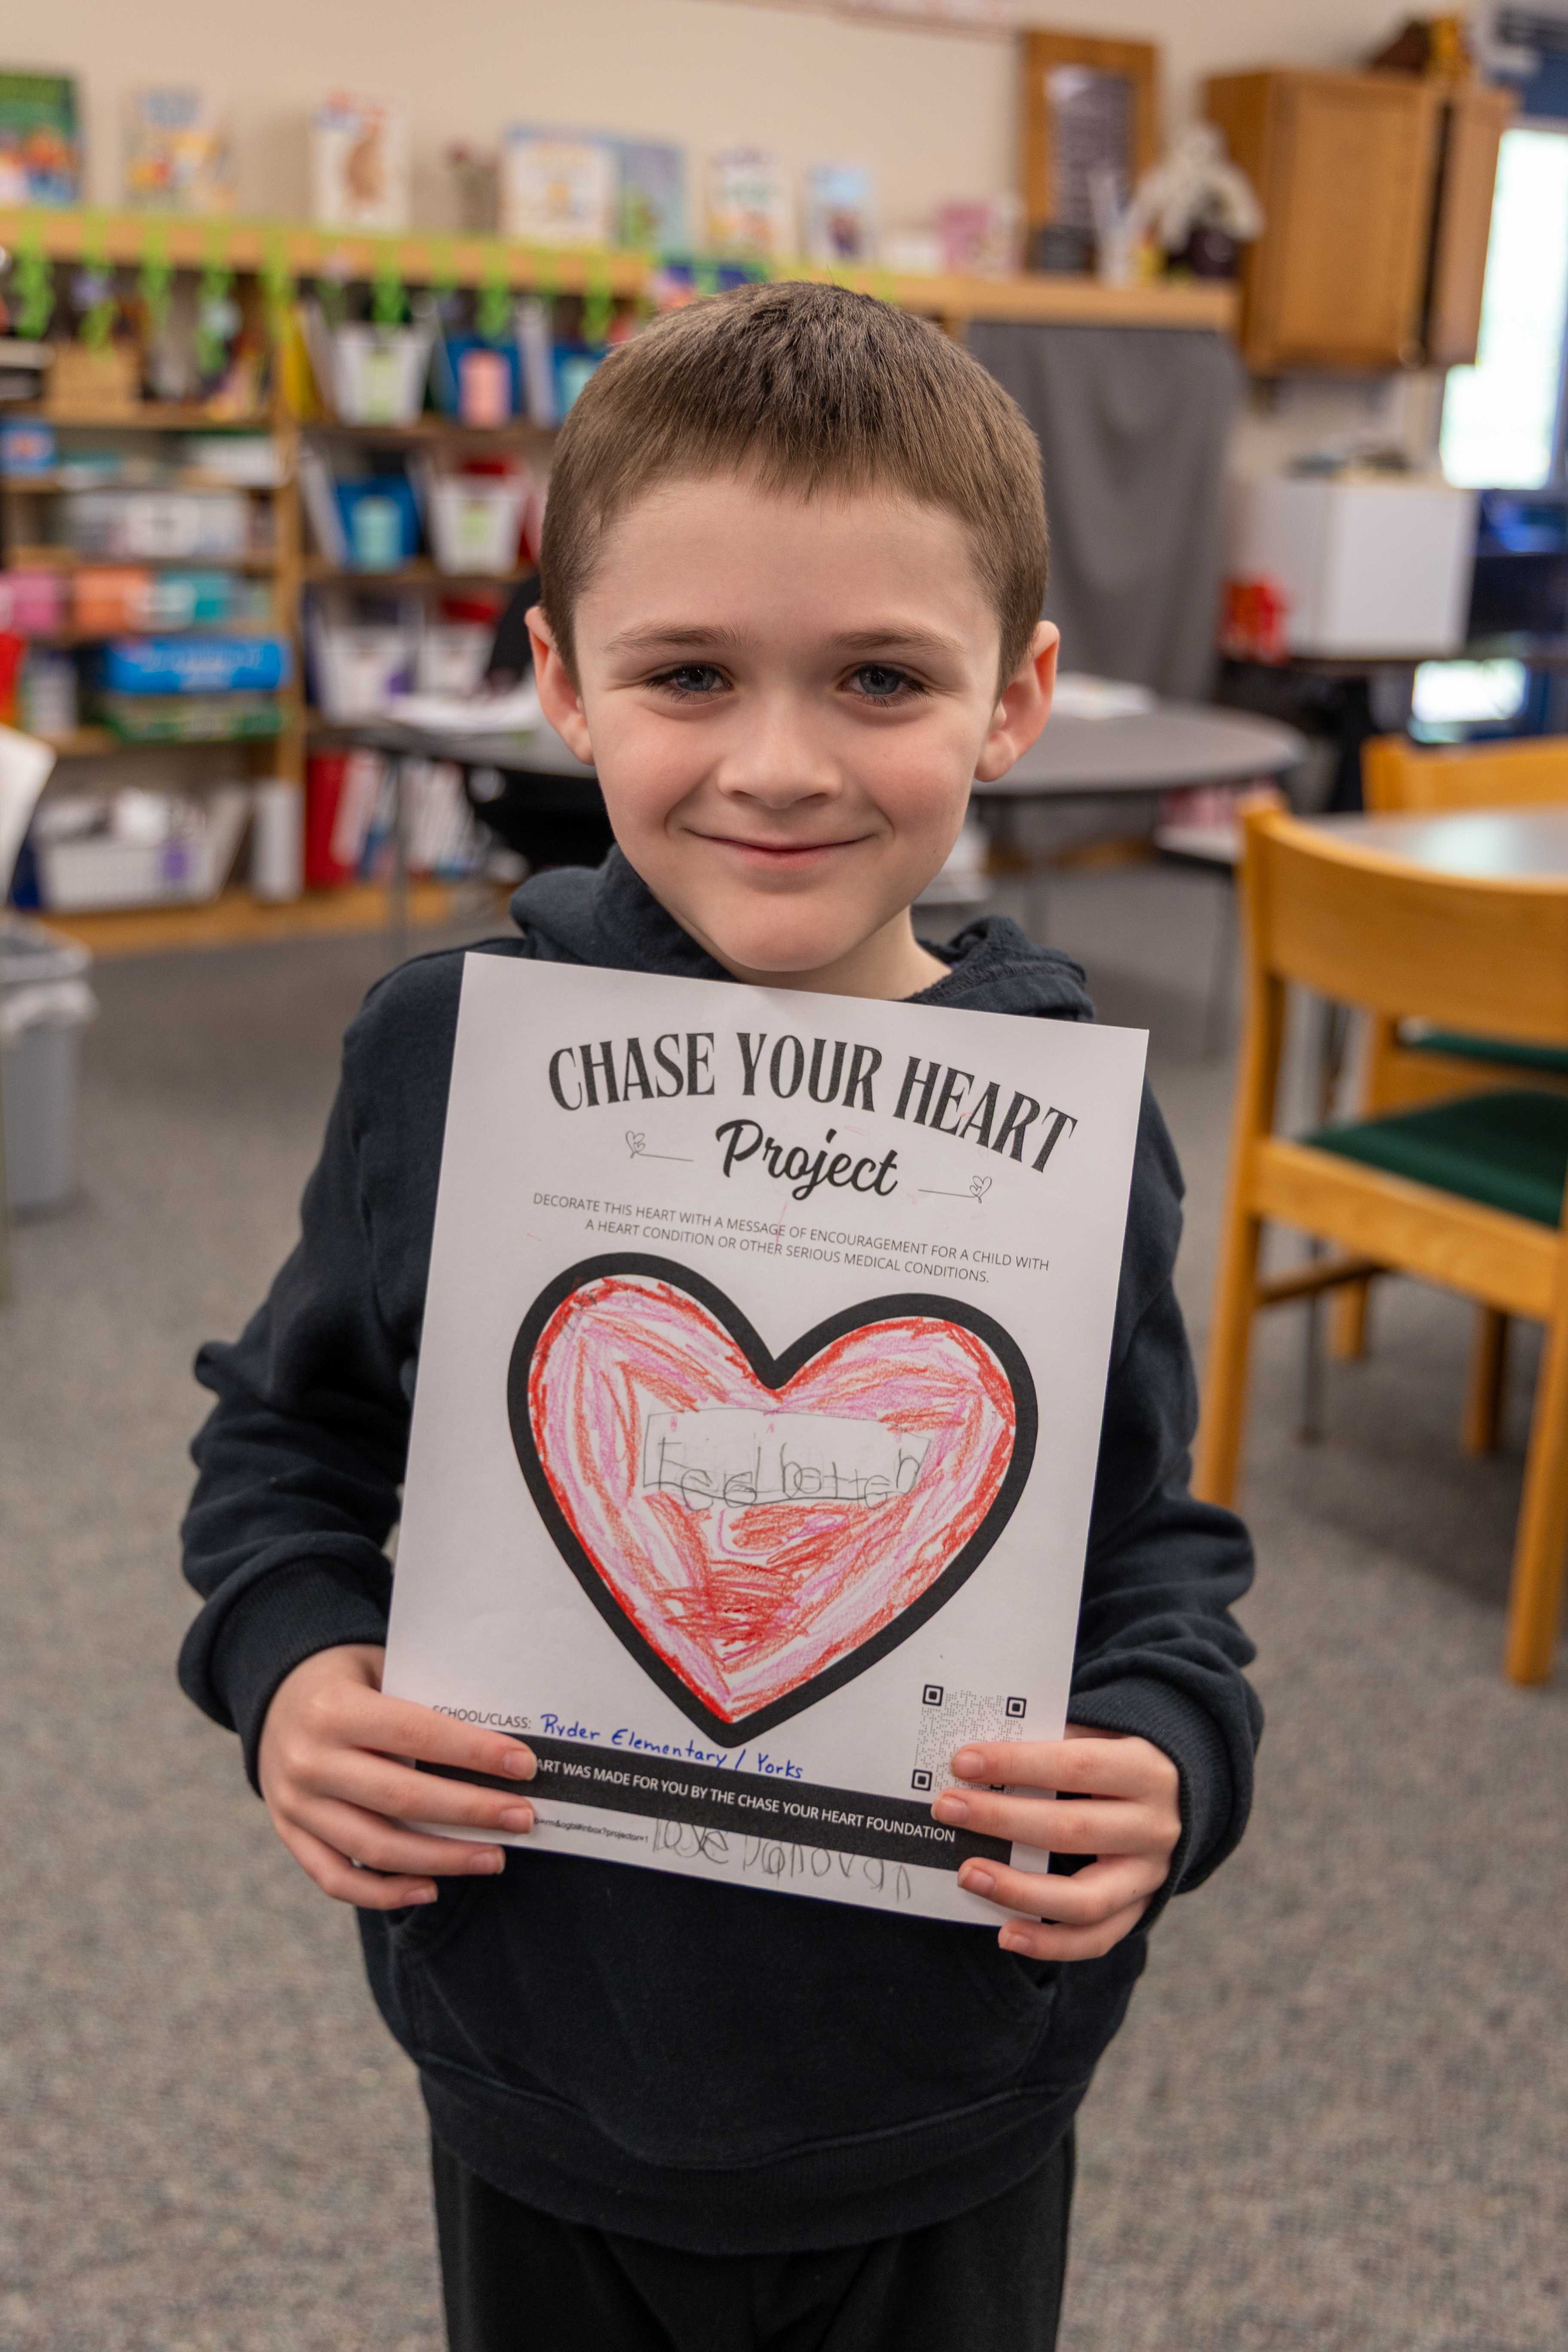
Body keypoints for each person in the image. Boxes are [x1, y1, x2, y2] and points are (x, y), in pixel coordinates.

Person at [179, 282, 1260, 2352]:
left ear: (1015, 698)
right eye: (688, 673)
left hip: (944, 2083)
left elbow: (1143, 1548)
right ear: (564, 686)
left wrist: (1171, 1756)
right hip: (537, 2054)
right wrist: (294, 1673)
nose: (780, 766)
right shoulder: (446, 1053)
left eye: (877, 676)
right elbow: (287, 1445)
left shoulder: (1068, 1135)